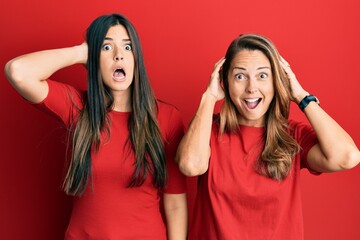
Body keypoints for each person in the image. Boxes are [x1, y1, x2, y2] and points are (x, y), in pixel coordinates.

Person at [5, 13, 187, 240]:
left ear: (136, 59)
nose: (119, 56)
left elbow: (175, 204)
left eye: (128, 48)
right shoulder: (78, 108)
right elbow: (18, 72)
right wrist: (82, 52)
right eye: (107, 48)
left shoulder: (167, 118)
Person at [176, 33, 360, 239]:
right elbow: (190, 165)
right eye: (240, 76)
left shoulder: (292, 135)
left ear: (277, 82)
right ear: (224, 83)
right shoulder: (207, 129)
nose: (251, 87)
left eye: (262, 76)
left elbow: (347, 157)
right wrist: (209, 96)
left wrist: (301, 96)